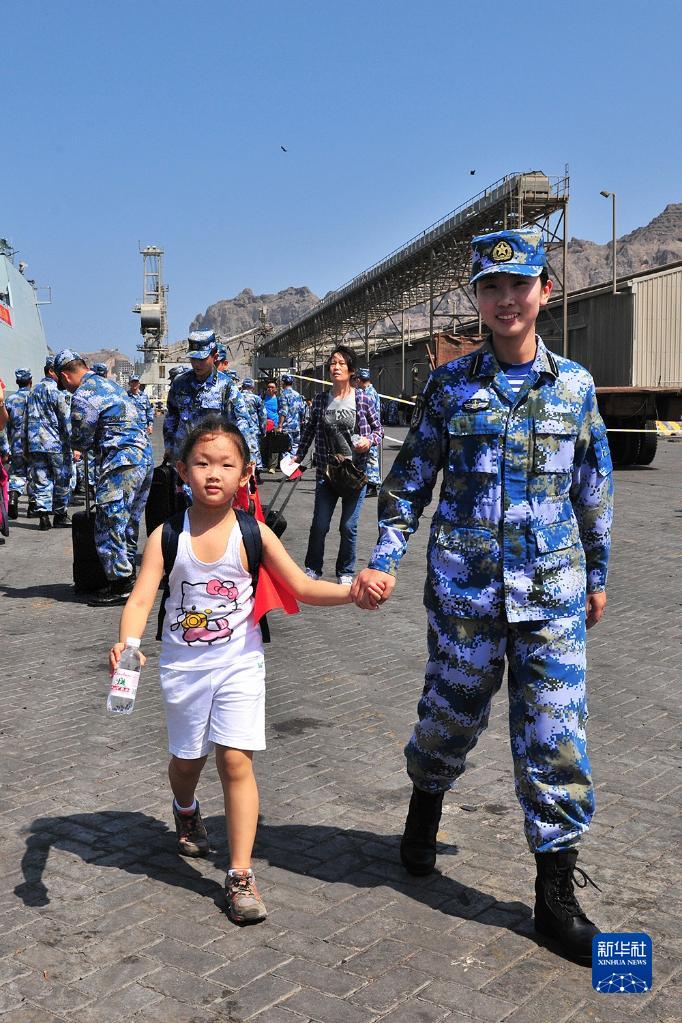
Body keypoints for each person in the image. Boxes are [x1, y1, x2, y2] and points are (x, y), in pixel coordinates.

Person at [352, 227, 614, 965]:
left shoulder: (575, 387)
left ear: (544, 292)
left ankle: (554, 897)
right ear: (476, 297)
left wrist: (597, 573)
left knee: (556, 737)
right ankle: (424, 801)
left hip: (551, 596)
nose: (506, 299)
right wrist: (385, 557)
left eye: (520, 285)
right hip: (466, 595)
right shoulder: (449, 385)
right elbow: (408, 486)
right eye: (491, 288)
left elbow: (593, 489)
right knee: (448, 714)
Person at [108, 416, 354, 923]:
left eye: (226, 464)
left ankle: (240, 873)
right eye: (201, 463)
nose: (212, 473)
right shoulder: (166, 535)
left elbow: (303, 587)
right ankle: (185, 808)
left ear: (245, 475)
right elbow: (139, 600)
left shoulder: (253, 533)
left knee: (236, 760)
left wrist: (354, 592)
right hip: (182, 667)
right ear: (182, 471)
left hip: (240, 663)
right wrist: (127, 642)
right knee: (187, 761)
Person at [54, 349, 154, 606]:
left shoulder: (84, 395)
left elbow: (81, 439)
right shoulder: (108, 385)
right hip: (142, 458)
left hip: (120, 462)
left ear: (65, 376)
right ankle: (128, 573)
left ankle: (120, 582)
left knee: (109, 521)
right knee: (129, 520)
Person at [294, 345, 383, 585]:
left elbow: (378, 430)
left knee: (348, 527)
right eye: (333, 362)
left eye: (342, 363)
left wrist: (368, 440)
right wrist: (297, 456)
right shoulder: (322, 399)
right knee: (320, 525)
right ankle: (313, 568)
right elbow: (310, 430)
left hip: (354, 473)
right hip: (327, 471)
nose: (336, 367)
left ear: (351, 369)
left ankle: (345, 571)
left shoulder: (363, 399)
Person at [163, 332, 255, 466]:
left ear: (215, 357)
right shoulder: (179, 383)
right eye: (193, 359)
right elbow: (171, 416)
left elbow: (241, 421)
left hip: (212, 459)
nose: (196, 364)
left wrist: (247, 456)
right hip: (182, 457)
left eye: (202, 359)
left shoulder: (226, 386)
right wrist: (169, 445)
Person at [25, 356, 73, 530]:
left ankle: (43, 515)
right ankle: (60, 515)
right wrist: (73, 444)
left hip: (35, 443)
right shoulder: (59, 392)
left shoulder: (33, 391)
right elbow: (65, 419)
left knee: (41, 479)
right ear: (51, 371)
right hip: (56, 444)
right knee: (62, 479)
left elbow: (26, 418)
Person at [5, 368, 34, 519]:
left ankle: (14, 497)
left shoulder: (10, 400)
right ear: (31, 381)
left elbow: (5, 424)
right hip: (34, 444)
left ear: (17, 382)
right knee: (34, 475)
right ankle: (33, 507)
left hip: (16, 444)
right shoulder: (34, 398)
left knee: (17, 474)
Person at [355, 368, 382, 496]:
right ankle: (370, 484)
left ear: (359, 380)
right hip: (372, 429)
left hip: (370, 431)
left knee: (371, 458)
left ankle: (372, 485)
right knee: (370, 457)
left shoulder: (368, 394)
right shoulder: (371, 391)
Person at [240, 378, 267, 482]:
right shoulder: (256, 398)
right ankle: (255, 475)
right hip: (252, 429)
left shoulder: (237, 397)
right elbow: (263, 415)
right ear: (252, 387)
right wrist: (263, 430)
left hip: (239, 429)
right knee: (254, 451)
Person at [278, 373, 306, 456]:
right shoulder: (298, 394)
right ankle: (294, 467)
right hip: (296, 426)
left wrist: (280, 425)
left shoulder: (283, 395)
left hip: (287, 426)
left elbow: (284, 411)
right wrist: (301, 421)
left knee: (285, 448)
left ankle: (287, 468)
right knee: (295, 447)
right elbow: (302, 410)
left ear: (283, 382)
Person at [261, 381, 281, 473]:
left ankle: (272, 466)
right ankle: (264, 464)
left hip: (274, 425)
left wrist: (280, 425)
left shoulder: (279, 399)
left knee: (274, 446)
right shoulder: (262, 398)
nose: (270, 388)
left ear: (275, 389)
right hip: (264, 425)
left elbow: (282, 412)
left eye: (272, 387)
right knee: (264, 445)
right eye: (269, 387)